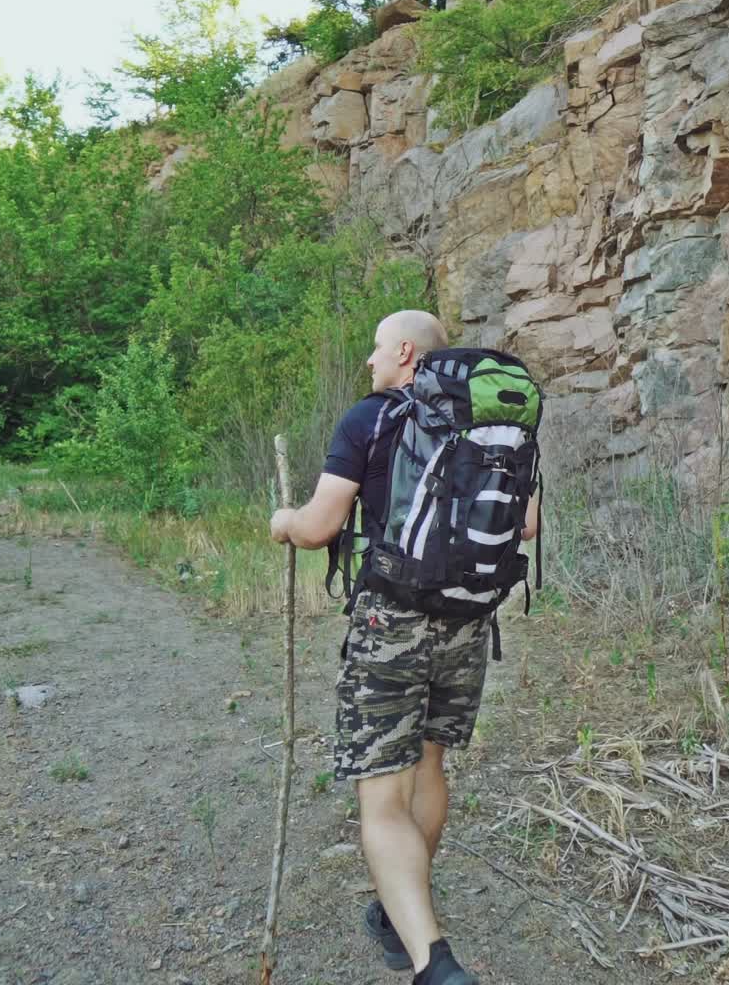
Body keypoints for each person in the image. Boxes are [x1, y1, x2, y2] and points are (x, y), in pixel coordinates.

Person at [269, 309, 538, 985]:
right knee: (430, 767)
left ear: (407, 352)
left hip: (391, 620)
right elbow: (527, 524)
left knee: (382, 797)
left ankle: (431, 962)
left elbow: (319, 525)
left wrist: (283, 523)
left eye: (377, 347)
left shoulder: (370, 419)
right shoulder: (489, 424)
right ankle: (397, 918)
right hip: (468, 621)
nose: (368, 360)